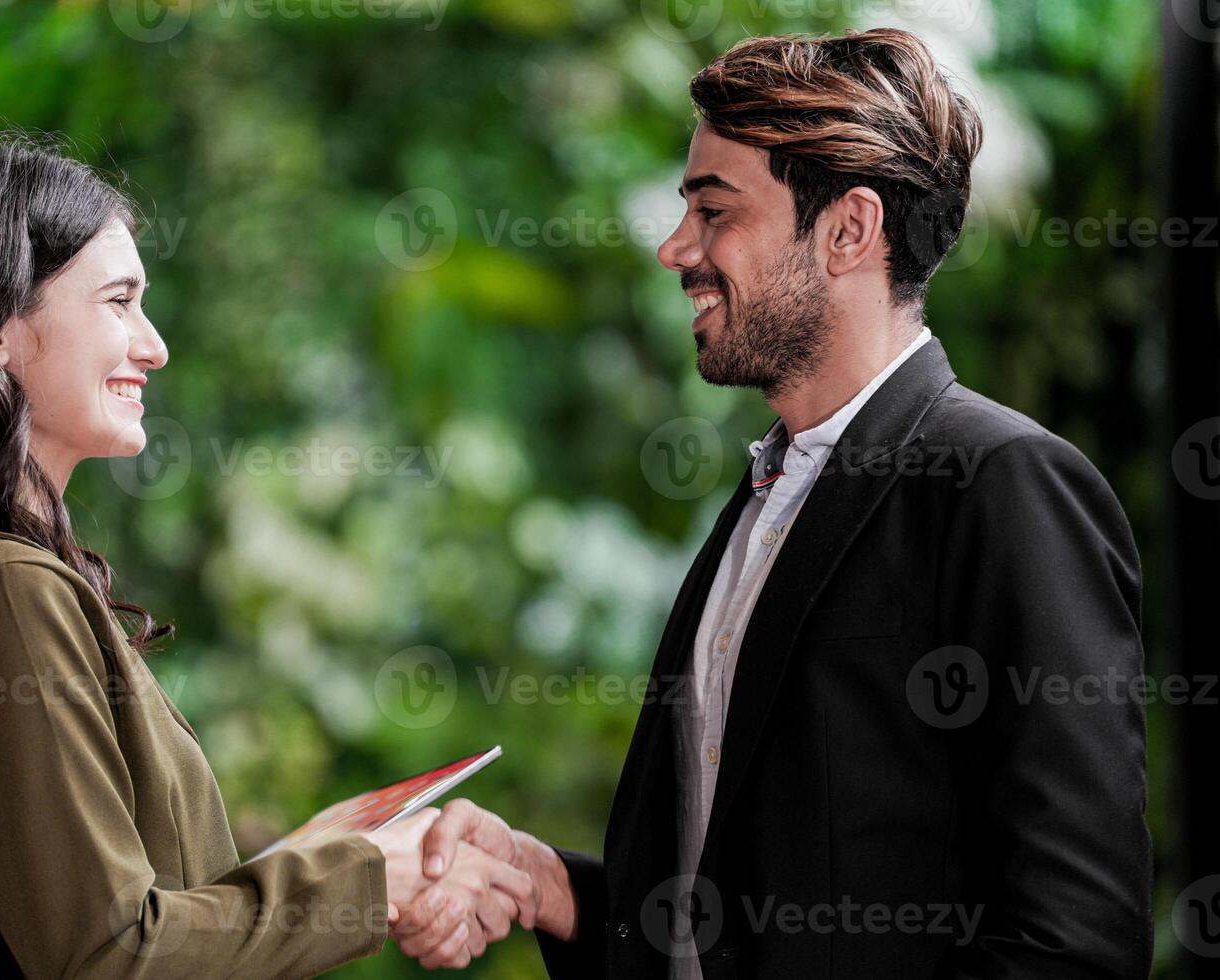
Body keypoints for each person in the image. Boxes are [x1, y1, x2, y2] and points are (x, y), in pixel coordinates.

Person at [416, 27, 1153, 978]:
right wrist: (553, 887)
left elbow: (1075, 943)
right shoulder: (771, 493)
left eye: (714, 211)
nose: (674, 247)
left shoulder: (1003, 482)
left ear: (849, 229)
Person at [0, 137, 534, 978]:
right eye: (119, 302)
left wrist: (322, 852)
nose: (154, 347)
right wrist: (369, 878)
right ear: (0, 328)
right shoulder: (2, 590)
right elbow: (109, 956)